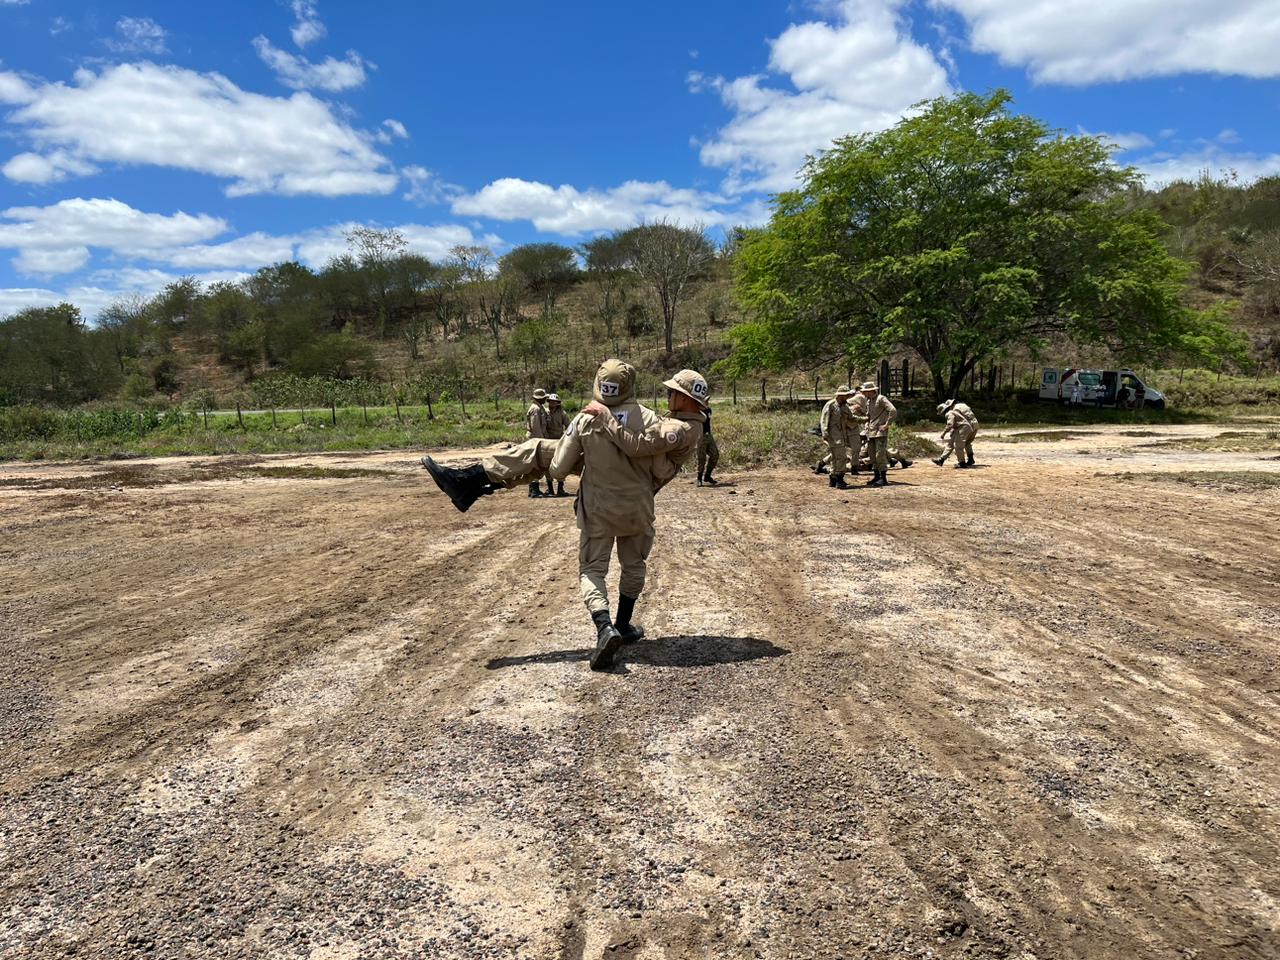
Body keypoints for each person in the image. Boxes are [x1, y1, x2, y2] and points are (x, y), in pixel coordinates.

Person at [550, 365, 708, 670]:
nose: (668, 395)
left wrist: (591, 454)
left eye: (673, 392)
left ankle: (604, 628)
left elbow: (558, 469)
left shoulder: (588, 417)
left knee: (592, 569)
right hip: (637, 506)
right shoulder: (652, 419)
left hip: (598, 508)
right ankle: (623, 624)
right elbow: (656, 466)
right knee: (634, 565)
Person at [859, 381, 896, 487]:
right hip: (870, 432)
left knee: (880, 455)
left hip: (880, 433)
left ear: (870, 391)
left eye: (865, 391)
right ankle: (876, 476)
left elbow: (892, 410)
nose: (863, 393)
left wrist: (887, 424)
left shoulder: (881, 399)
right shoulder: (869, 401)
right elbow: (869, 416)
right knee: (872, 456)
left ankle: (883, 478)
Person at [819, 386, 857, 489]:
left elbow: (851, 418)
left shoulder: (844, 407)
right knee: (841, 458)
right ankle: (839, 479)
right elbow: (824, 420)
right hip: (833, 436)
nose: (848, 397)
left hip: (842, 436)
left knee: (835, 458)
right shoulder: (831, 405)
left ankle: (833, 479)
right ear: (841, 395)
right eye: (846, 395)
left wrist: (866, 418)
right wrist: (825, 434)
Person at [933, 398, 978, 468]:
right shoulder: (961, 406)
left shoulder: (949, 413)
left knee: (957, 445)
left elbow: (950, 424)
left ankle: (962, 463)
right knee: (952, 443)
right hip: (972, 425)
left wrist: (943, 433)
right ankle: (941, 460)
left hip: (963, 427)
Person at [525, 388, 551, 498]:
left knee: (536, 464)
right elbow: (536, 427)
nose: (545, 399)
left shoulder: (539, 408)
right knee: (536, 464)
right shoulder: (535, 409)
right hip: (536, 440)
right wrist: (540, 442)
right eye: (544, 398)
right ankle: (534, 490)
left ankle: (532, 489)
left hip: (536, 439)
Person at [545, 394, 571, 497]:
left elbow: (569, 426)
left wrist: (566, 438)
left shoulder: (562, 413)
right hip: (547, 442)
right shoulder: (545, 412)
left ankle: (560, 488)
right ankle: (550, 488)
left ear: (557, 403)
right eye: (551, 401)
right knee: (547, 465)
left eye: (554, 401)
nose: (552, 403)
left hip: (559, 442)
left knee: (561, 464)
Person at [696, 406, 719, 487]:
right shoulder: (696, 410)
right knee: (701, 458)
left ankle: (707, 476)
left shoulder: (708, 409)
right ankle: (699, 478)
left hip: (708, 435)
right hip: (700, 436)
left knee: (715, 455)